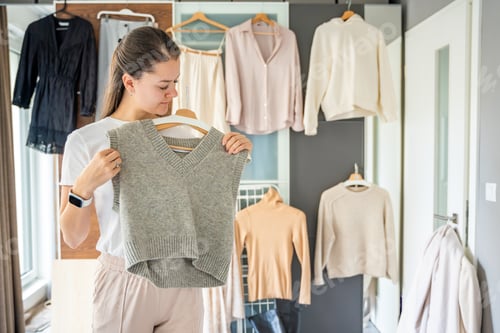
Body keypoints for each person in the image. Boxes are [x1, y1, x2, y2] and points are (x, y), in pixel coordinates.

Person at [59, 26, 252, 332]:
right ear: (129, 82)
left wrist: (234, 150)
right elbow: (72, 236)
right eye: (164, 85)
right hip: (125, 280)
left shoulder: (184, 129)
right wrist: (83, 187)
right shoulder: (86, 141)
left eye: (175, 83)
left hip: (184, 279)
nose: (173, 93)